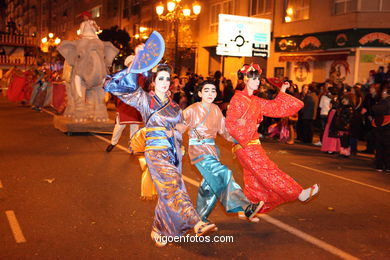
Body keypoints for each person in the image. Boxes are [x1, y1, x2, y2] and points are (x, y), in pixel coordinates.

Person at [104, 44, 216, 247]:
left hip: (173, 152)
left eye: (167, 78)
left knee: (169, 190)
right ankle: (196, 222)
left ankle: (159, 228)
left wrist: (177, 133)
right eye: (160, 78)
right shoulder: (145, 100)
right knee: (173, 186)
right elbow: (121, 86)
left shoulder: (174, 107)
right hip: (155, 151)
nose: (164, 82)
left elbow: (181, 125)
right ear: (153, 82)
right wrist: (138, 61)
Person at [225, 64, 319, 214]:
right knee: (268, 171)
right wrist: (245, 125)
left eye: (258, 79)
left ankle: (249, 208)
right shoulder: (238, 99)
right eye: (254, 79)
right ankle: (299, 194)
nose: (258, 82)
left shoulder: (255, 100)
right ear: (245, 79)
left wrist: (281, 92)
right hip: (246, 144)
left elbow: (274, 107)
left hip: (250, 144)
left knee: (254, 179)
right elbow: (230, 123)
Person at [180, 80, 263, 223]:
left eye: (213, 90)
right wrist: (174, 143)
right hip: (198, 150)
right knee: (224, 173)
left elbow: (225, 131)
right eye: (206, 90)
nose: (210, 93)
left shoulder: (216, 110)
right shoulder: (192, 109)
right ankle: (246, 207)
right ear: (199, 93)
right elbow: (178, 127)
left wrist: (242, 139)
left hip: (212, 151)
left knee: (209, 186)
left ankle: (199, 219)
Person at [106, 55, 143, 152]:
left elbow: (143, 89)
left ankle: (133, 146)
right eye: (131, 63)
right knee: (119, 125)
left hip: (135, 105)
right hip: (124, 104)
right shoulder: (123, 75)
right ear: (128, 65)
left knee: (134, 127)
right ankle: (113, 143)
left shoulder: (141, 76)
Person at [372, 83, 390, 172]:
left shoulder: (385, 102)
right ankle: (387, 166)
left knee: (381, 147)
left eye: (384, 91)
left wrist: (375, 105)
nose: (382, 93)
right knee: (387, 148)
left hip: (384, 128)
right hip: (386, 128)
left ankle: (380, 165)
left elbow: (376, 109)